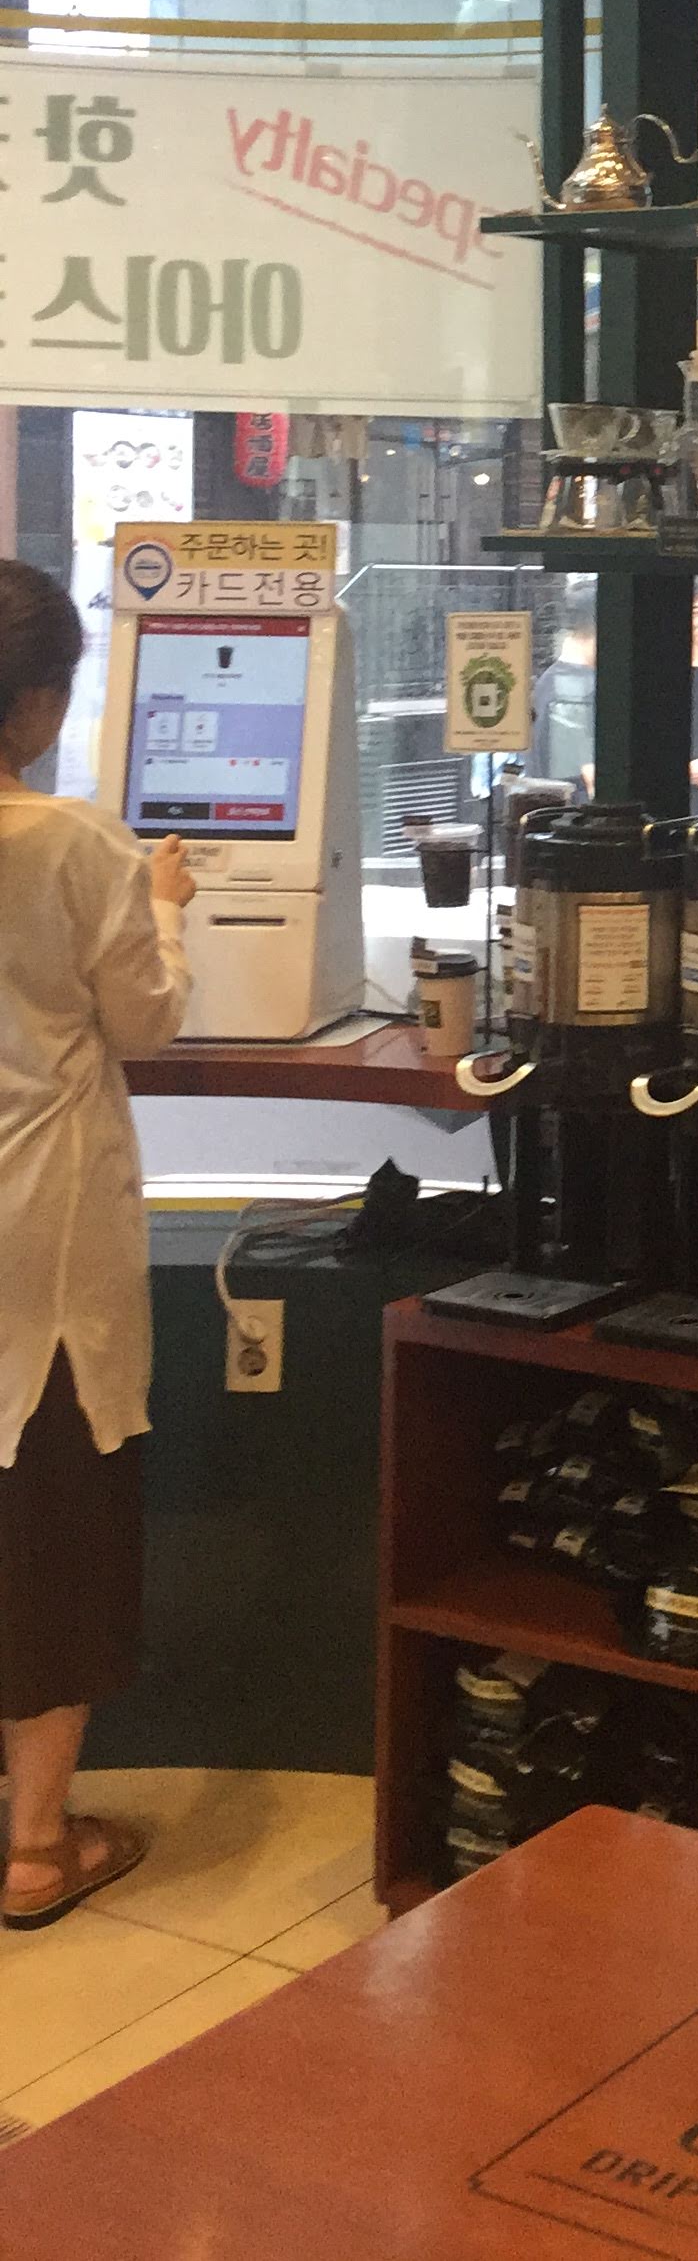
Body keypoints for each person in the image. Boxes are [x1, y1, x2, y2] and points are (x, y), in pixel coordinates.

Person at [0, 558, 191, 1929]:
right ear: (41, 703)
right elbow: (147, 1020)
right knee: (52, 1521)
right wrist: (168, 897)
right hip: (41, 1235)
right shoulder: (75, 843)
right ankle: (31, 1846)